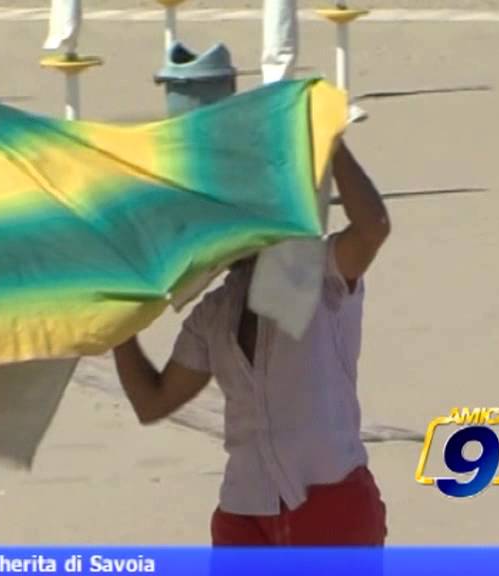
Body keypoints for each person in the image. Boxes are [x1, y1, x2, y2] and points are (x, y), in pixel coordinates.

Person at [112, 142, 390, 546]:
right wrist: (119, 326)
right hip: (244, 510)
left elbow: (373, 228)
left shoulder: (310, 268)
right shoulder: (215, 311)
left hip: (331, 504)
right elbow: (152, 401)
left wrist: (332, 141)